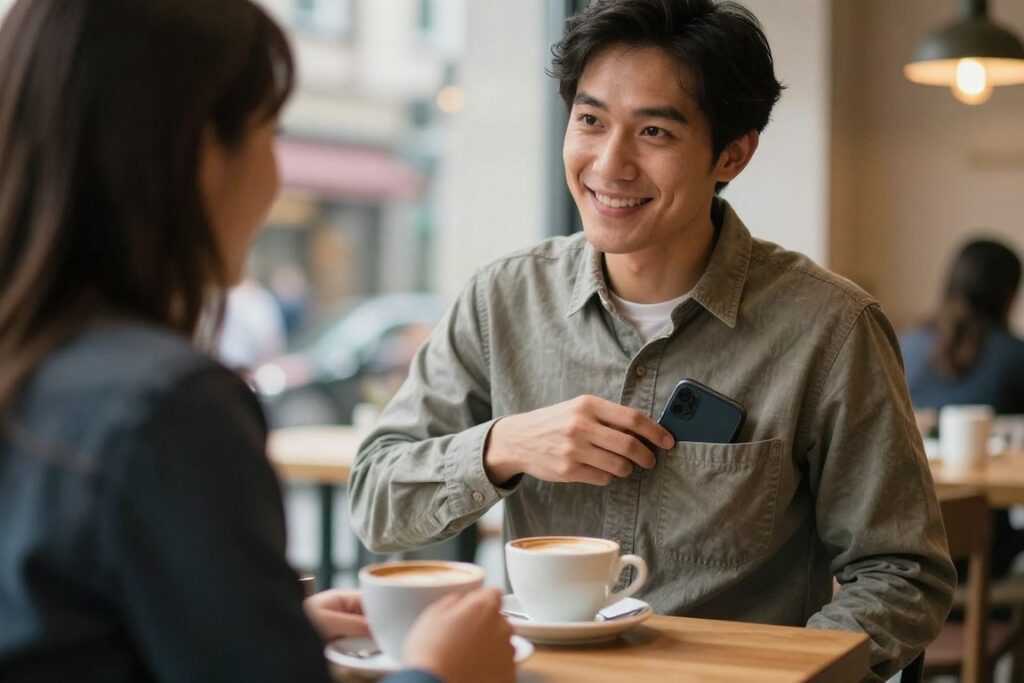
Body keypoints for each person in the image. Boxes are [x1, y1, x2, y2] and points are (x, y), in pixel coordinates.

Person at [349, 0, 956, 679]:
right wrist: (505, 445)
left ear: (733, 153)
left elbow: (902, 572)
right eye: (590, 120)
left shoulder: (829, 328)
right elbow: (377, 500)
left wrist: (792, 673)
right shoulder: (502, 301)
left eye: (655, 133)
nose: (610, 164)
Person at [0, 1, 514, 682]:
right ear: (197, 151)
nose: (276, 180)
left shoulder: (39, 366)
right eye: (270, 134)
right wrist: (440, 672)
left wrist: (260, 623)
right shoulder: (169, 406)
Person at [902, 239, 1024, 577]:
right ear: (1009, 293)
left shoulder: (909, 345)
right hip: (986, 553)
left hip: (908, 552)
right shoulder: (1013, 354)